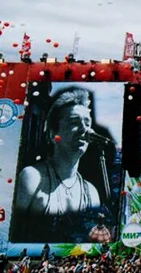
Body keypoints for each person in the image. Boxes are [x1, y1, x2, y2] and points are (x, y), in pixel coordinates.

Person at [13, 88, 102, 242]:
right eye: (74, 122)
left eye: (87, 122)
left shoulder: (92, 193)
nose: (84, 129)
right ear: (53, 134)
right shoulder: (32, 178)